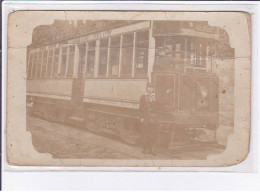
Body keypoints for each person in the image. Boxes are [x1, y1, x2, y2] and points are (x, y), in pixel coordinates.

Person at [139, 83, 158, 155]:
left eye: (151, 88)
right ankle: (144, 149)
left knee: (153, 134)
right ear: (146, 88)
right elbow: (140, 108)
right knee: (145, 133)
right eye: (149, 87)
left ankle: (152, 150)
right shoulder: (143, 97)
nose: (150, 89)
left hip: (154, 117)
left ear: (153, 89)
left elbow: (158, 107)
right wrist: (141, 117)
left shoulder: (155, 97)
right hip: (146, 116)